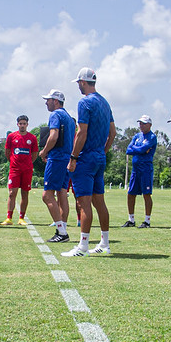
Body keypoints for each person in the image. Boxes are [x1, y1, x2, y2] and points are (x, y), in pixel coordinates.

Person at [61, 67, 116, 257]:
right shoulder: (105, 102)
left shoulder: (85, 103)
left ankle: (83, 247)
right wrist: (103, 151)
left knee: (83, 202)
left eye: (78, 83)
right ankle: (105, 243)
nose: (78, 87)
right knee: (99, 202)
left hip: (86, 158)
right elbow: (113, 133)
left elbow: (82, 133)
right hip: (100, 156)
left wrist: (74, 157)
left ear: (83, 82)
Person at [38, 89, 74, 243]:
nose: (46, 102)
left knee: (47, 196)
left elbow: (53, 136)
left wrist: (44, 151)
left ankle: (62, 231)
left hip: (57, 158)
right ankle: (62, 228)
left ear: (56, 101)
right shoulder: (69, 118)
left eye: (48, 100)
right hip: (66, 158)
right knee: (62, 193)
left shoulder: (55, 115)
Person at [122, 115, 157, 229]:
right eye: (140, 123)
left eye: (143, 123)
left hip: (146, 169)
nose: (141, 125)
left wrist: (137, 149)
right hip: (135, 169)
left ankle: (147, 221)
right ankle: (131, 219)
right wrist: (141, 150)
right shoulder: (137, 136)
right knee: (131, 193)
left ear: (149, 125)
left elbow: (140, 149)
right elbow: (128, 149)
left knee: (146, 194)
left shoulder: (152, 137)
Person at [3, 115, 38, 225]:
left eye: (24, 123)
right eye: (20, 123)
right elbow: (7, 152)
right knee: (12, 193)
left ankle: (21, 218)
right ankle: (9, 217)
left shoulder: (32, 138)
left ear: (27, 124)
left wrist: (27, 163)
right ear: (17, 124)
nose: (22, 125)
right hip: (14, 169)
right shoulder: (11, 136)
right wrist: (13, 161)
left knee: (25, 193)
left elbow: (34, 154)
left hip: (27, 170)